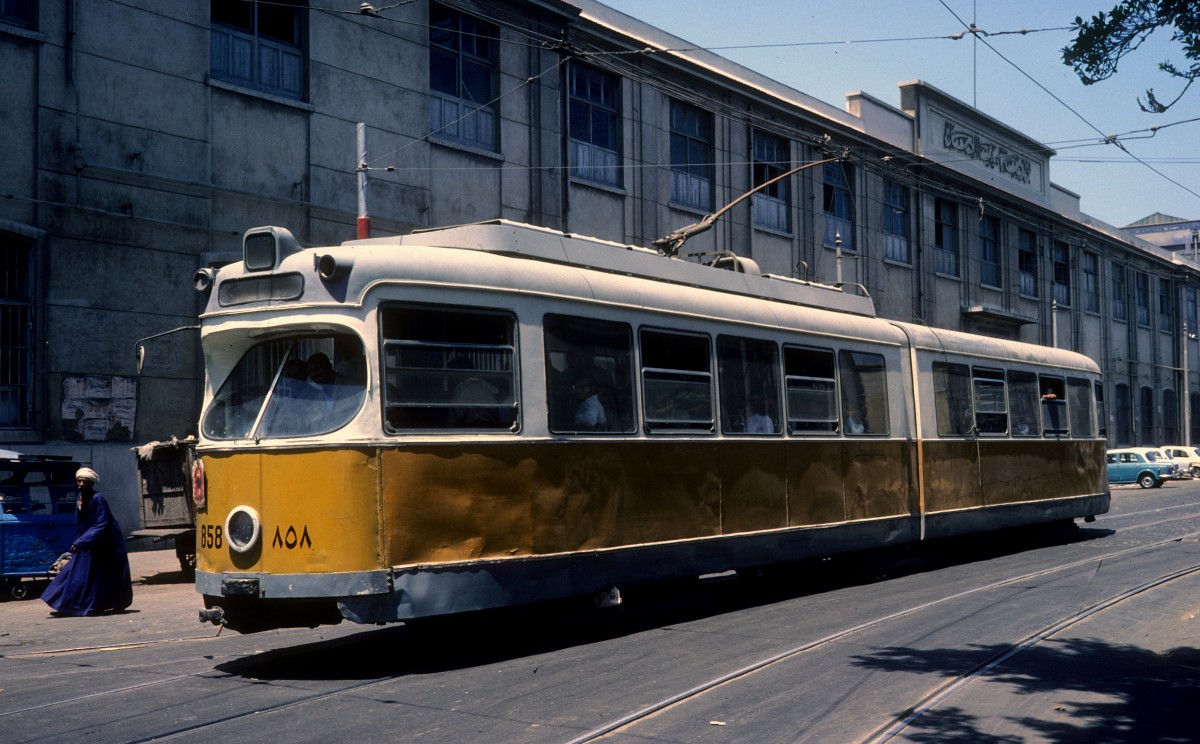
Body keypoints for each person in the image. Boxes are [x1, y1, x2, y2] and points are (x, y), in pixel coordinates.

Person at [42, 467, 133, 616]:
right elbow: (80, 523)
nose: (81, 484)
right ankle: (70, 604)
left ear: (91, 483)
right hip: (89, 542)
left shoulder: (98, 498)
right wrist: (79, 541)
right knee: (78, 573)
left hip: (106, 543)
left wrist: (81, 541)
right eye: (79, 481)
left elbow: (102, 524)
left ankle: (97, 605)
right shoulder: (79, 498)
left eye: (84, 481)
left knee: (104, 576)